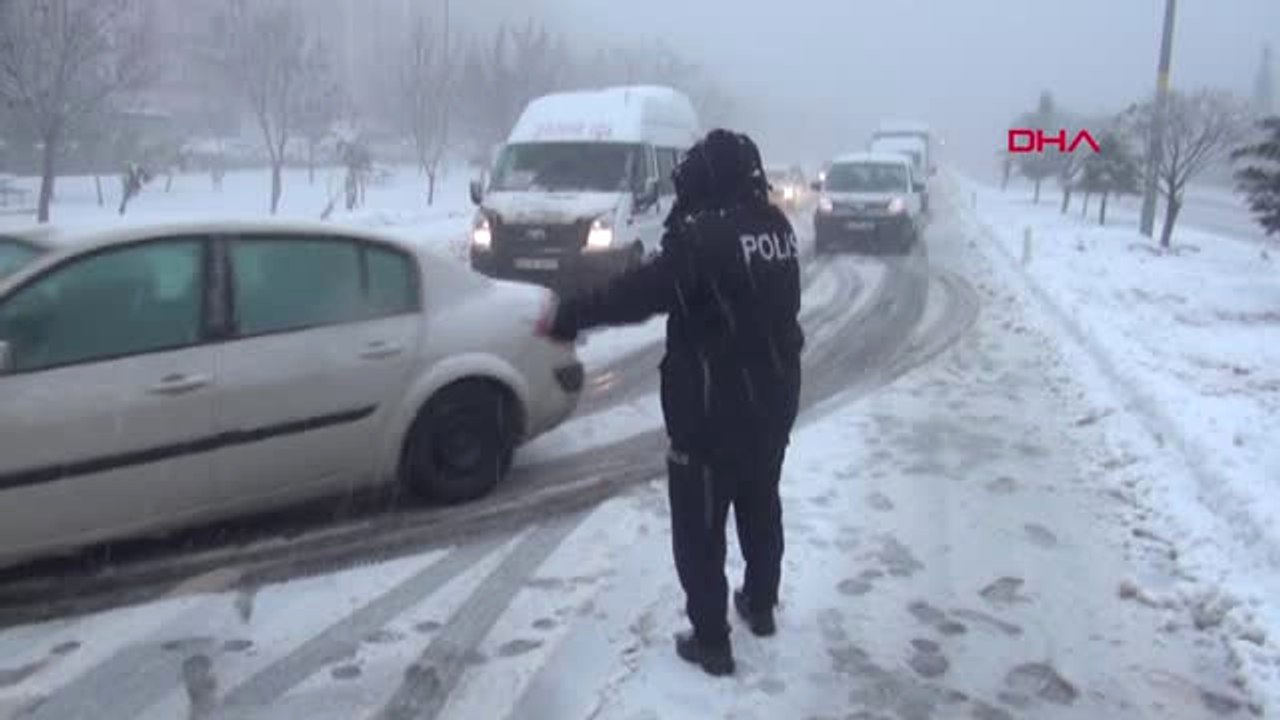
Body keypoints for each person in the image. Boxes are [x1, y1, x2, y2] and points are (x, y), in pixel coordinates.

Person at [537, 129, 804, 677]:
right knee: (761, 503)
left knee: (700, 529)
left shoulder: (704, 237)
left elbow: (639, 293)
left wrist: (569, 314)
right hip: (773, 399)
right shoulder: (775, 227)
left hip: (711, 409)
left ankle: (711, 641)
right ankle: (760, 604)